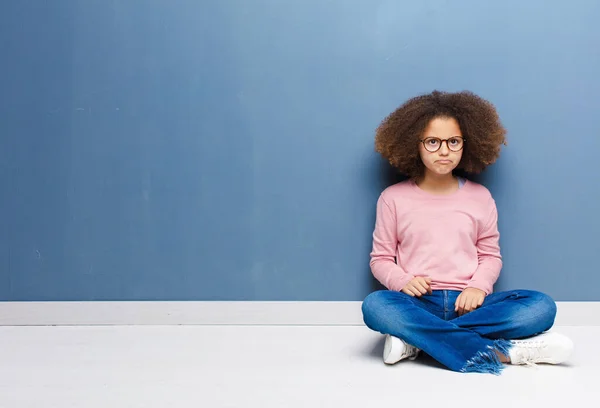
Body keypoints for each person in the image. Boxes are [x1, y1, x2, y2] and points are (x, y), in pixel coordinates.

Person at [361, 90, 574, 374]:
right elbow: (381, 259)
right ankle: (509, 353)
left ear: (466, 145)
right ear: (416, 144)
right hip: (418, 303)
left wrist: (478, 287)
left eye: (453, 141)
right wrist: (402, 280)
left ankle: (416, 343)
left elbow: (490, 256)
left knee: (540, 307)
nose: (444, 150)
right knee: (376, 305)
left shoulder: (480, 197)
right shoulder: (393, 198)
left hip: (474, 305)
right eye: (433, 142)